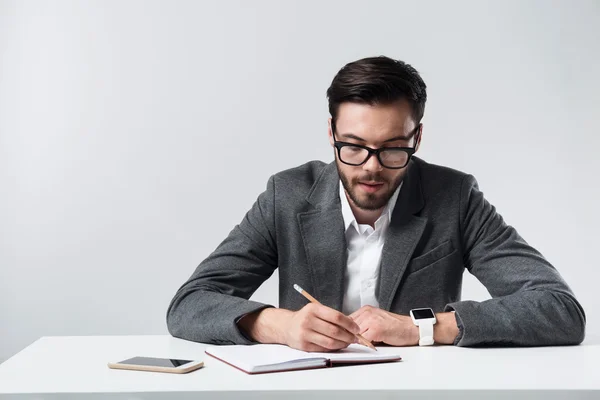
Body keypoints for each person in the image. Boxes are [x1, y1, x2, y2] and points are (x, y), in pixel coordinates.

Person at [167, 56, 585, 351]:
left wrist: (423, 328)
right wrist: (281, 325)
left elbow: (560, 309)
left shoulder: (454, 198)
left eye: (392, 149)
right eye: (353, 147)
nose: (371, 168)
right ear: (331, 133)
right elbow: (189, 304)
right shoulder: (288, 195)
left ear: (417, 138)